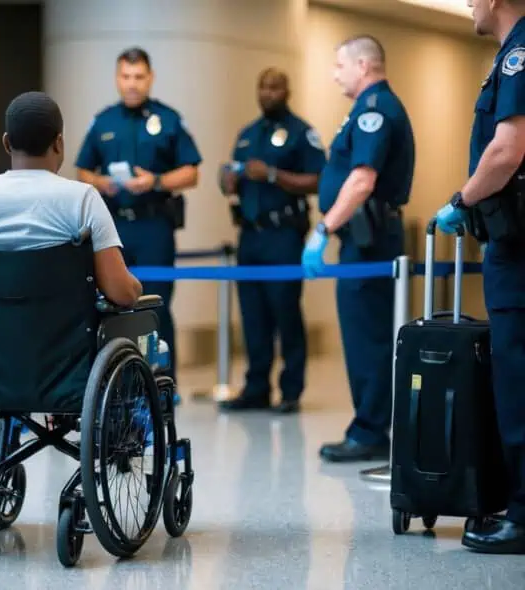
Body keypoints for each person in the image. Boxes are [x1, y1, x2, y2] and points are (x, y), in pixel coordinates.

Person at [432, 0, 525, 555]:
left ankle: (522, 516)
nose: (468, 2)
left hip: (518, 248)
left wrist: (462, 198)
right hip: (512, 239)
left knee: (517, 376)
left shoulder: (519, 56)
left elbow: (509, 147)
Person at [301, 35, 415, 462]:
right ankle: (368, 424)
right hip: (362, 240)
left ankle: (369, 432)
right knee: (363, 334)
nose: (335, 73)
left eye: (339, 65)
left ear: (363, 65)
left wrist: (324, 229)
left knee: (367, 337)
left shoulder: (375, 110)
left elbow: (363, 179)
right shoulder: (366, 109)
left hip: (369, 241)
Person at [0, 90, 141, 311]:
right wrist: (135, 287)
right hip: (65, 343)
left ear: (7, 143)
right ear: (59, 143)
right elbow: (122, 294)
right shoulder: (83, 201)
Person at [75, 46, 201, 386]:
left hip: (154, 226)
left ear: (150, 78)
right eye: (126, 77)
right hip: (112, 226)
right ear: (117, 78)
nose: (132, 84)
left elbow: (192, 172)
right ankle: (112, 383)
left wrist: (156, 181)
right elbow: (82, 170)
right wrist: (100, 183)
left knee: (156, 305)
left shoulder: (169, 119)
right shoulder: (103, 121)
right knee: (107, 305)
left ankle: (162, 384)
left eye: (139, 77)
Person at [218, 68, 326, 414]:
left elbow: (319, 180)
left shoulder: (301, 133)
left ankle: (291, 390)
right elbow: (233, 178)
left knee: (285, 312)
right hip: (250, 236)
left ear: (287, 91)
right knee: (253, 315)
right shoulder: (248, 135)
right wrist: (228, 181)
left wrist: (274, 175)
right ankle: (256, 387)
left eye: (275, 87)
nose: (267, 92)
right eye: (262, 86)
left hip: (284, 235)